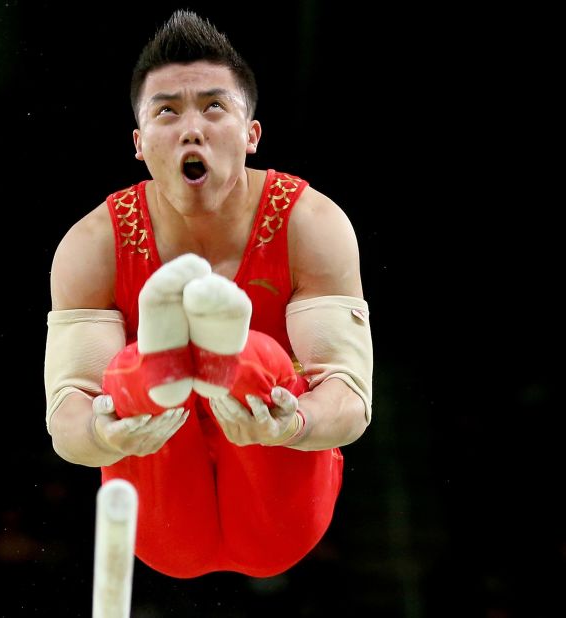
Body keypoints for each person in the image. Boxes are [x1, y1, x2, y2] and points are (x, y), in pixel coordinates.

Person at [43, 10, 373, 579]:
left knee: (263, 368)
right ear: (139, 143)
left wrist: (291, 425)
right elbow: (67, 415)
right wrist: (104, 432)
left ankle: (217, 353)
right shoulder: (92, 244)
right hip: (160, 497)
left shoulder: (311, 224)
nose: (191, 128)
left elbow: (349, 394)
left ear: (252, 134)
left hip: (280, 495)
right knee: (125, 378)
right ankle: (177, 358)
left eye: (214, 107)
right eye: (167, 111)